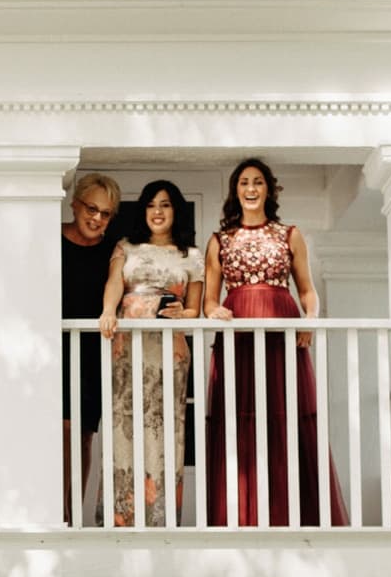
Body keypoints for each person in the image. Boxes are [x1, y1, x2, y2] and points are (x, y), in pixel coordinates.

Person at [203, 159, 348, 527]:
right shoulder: (221, 240)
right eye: (243, 183)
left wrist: (310, 320)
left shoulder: (289, 234)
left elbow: (307, 291)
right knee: (241, 416)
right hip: (239, 333)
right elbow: (208, 299)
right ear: (235, 191)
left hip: (281, 329)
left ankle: (292, 511)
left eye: (257, 182)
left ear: (269, 189)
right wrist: (215, 310)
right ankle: (240, 513)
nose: (250, 189)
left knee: (285, 412)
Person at [98, 180, 203, 527]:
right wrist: (109, 311)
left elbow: (194, 311)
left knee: (163, 428)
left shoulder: (190, 255)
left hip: (167, 348)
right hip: (126, 344)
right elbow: (115, 282)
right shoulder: (126, 247)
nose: (158, 211)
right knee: (123, 423)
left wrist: (181, 315)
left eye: (166, 205)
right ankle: (121, 517)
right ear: (143, 211)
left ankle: (161, 519)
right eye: (151, 205)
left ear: (176, 212)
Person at [61, 173, 119, 525]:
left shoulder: (111, 252)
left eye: (106, 213)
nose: (97, 218)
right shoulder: (50, 237)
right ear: (75, 204)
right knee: (62, 429)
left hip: (93, 350)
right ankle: (57, 512)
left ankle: (73, 514)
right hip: (55, 349)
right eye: (91, 209)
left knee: (83, 435)